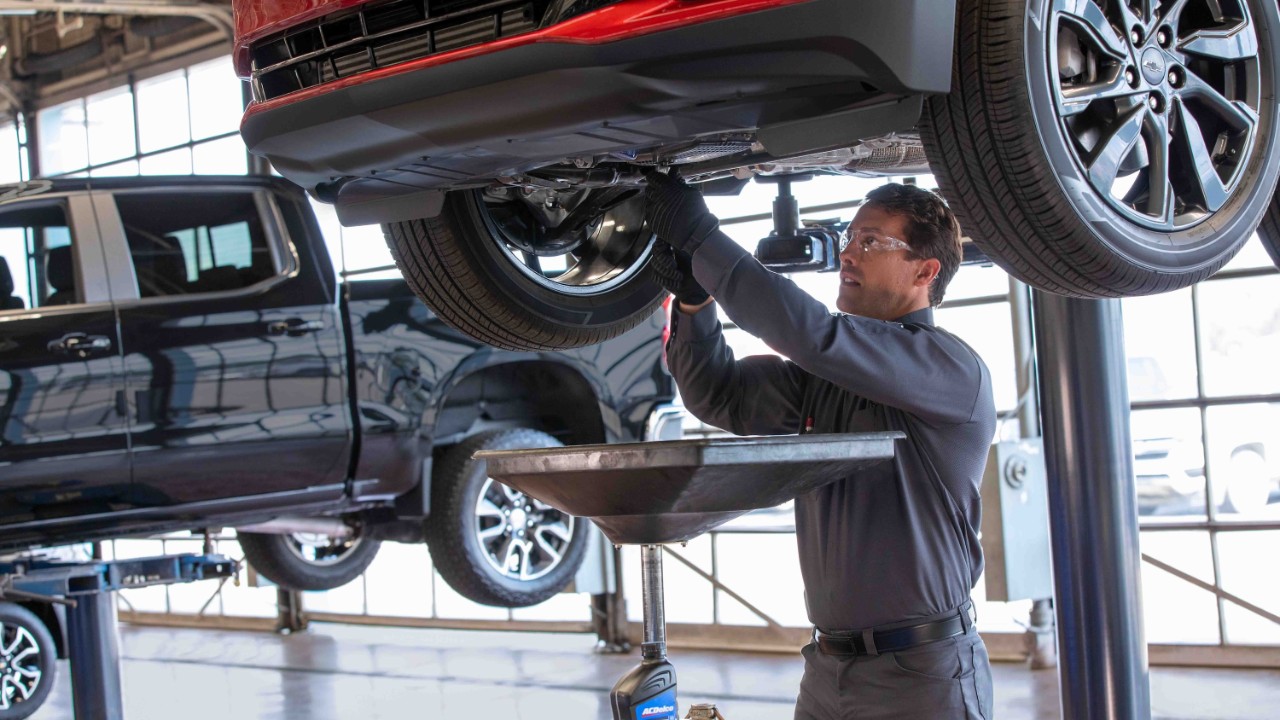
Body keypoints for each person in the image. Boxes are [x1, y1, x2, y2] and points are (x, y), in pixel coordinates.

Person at [644, 171, 996, 719]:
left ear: (925, 271)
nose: (848, 255)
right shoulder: (829, 378)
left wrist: (701, 238)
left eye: (871, 241)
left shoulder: (951, 370)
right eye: (850, 238)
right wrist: (694, 302)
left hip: (922, 676)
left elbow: (811, 334)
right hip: (827, 668)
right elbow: (720, 396)